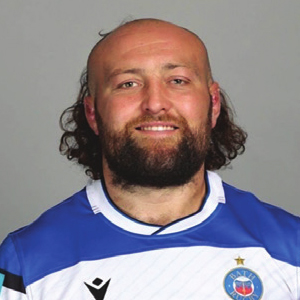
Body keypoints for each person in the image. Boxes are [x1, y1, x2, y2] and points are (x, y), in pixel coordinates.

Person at [0, 18, 299, 300]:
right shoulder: (24, 263)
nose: (155, 104)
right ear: (92, 113)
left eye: (178, 80)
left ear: (213, 103)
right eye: (128, 84)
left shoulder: (291, 248)